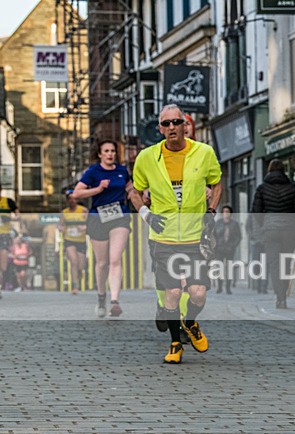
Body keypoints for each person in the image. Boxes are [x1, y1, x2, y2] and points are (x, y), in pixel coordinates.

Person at [129, 104, 222, 364]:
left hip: (195, 236)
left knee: (198, 293)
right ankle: (174, 343)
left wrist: (211, 211)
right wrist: (146, 215)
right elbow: (135, 191)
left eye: (176, 122)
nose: (171, 127)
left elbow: (216, 182)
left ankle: (190, 322)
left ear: (185, 126)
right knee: (171, 293)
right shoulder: (147, 157)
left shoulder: (204, 153)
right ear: (160, 128)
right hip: (163, 237)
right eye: (166, 123)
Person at [72, 140, 132, 317]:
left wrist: (142, 193)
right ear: (100, 154)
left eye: (113, 151)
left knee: (115, 259)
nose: (110, 154)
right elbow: (76, 193)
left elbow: (130, 188)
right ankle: (101, 297)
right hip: (98, 218)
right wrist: (98, 189)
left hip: (119, 216)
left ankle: (114, 301)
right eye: (106, 151)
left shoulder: (122, 171)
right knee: (102, 263)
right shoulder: (93, 172)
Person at [250, 159, 295, 309]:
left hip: (270, 230)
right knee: (286, 263)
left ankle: (280, 298)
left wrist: (265, 224)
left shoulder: (262, 188)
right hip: (289, 230)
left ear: (269, 170)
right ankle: (283, 296)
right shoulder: (293, 188)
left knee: (274, 265)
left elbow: (256, 212)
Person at [59, 189, 89, 294]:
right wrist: (61, 228)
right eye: (69, 199)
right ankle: (75, 286)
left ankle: (78, 281)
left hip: (80, 240)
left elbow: (92, 224)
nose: (72, 200)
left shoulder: (83, 210)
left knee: (81, 266)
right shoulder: (64, 212)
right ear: (67, 200)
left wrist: (84, 227)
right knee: (74, 262)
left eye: (74, 198)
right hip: (69, 240)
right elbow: (61, 224)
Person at [213, 205, 242, 294]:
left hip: (230, 248)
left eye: (227, 212)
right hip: (219, 248)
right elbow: (214, 235)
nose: (226, 214)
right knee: (220, 268)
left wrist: (233, 245)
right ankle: (220, 287)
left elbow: (239, 236)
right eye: (224, 212)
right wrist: (215, 245)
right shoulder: (218, 223)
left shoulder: (235, 224)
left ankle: (228, 288)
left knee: (229, 268)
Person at [0, 182, 19, 299]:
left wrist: (8, 218)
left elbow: (17, 215)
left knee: (2, 265)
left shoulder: (8, 201)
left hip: (4, 235)